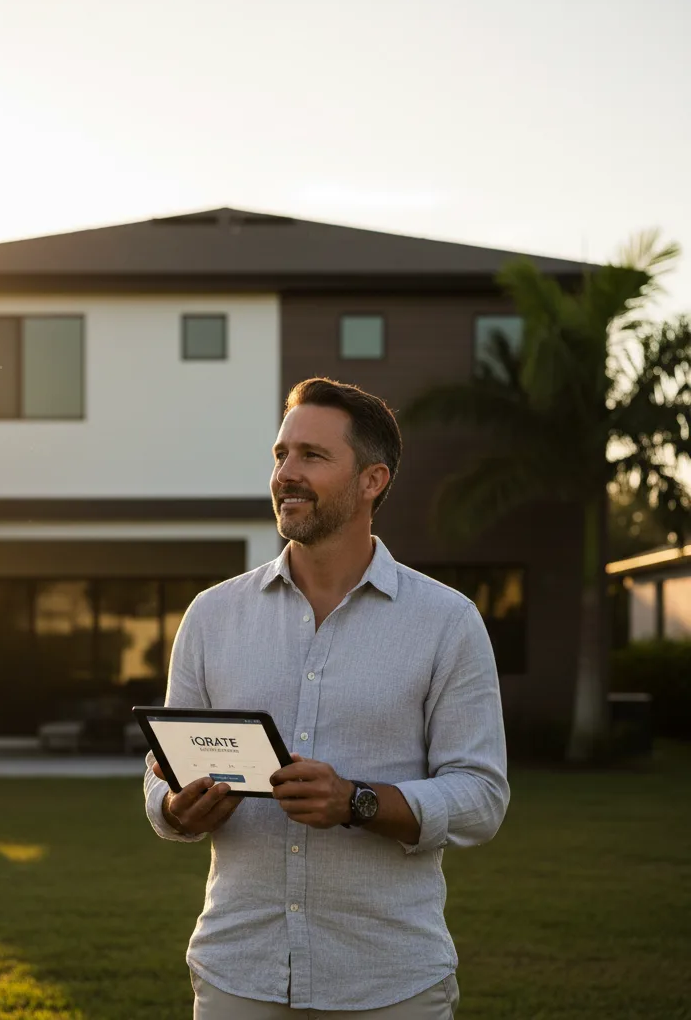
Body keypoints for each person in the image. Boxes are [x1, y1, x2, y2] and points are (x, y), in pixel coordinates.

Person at [143, 377, 510, 1019]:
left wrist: (357, 802)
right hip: (238, 976)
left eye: (312, 456)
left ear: (372, 480)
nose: (287, 473)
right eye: (281, 455)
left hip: (388, 981)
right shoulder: (211, 616)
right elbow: (158, 776)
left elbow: (481, 796)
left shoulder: (447, 622)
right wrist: (177, 809)